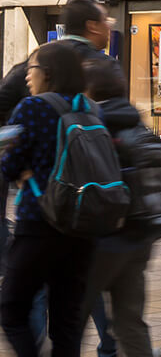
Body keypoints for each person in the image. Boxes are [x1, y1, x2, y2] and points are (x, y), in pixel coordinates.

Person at [0, 42, 97, 357]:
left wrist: (23, 170)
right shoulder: (90, 108)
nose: (27, 76)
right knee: (67, 322)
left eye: (32, 69)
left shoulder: (31, 108)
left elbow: (9, 166)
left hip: (38, 221)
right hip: (81, 226)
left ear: (48, 73)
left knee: (12, 309)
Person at [79, 59, 161, 357]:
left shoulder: (95, 124)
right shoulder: (135, 121)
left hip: (104, 237)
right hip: (139, 236)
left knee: (71, 316)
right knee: (130, 320)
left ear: (89, 88)